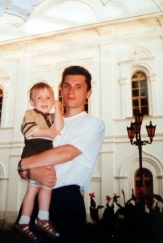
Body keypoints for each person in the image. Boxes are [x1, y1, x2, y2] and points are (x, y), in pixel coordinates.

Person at [18, 66, 105, 242]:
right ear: (61, 90)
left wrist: (25, 164)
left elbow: (65, 153)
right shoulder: (47, 121)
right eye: (66, 86)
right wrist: (30, 170)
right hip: (35, 200)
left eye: (78, 86)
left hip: (66, 201)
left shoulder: (93, 124)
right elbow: (24, 167)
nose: (71, 91)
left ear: (88, 93)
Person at [17, 82, 64, 240]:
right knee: (34, 190)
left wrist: (57, 109)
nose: (44, 101)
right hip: (33, 154)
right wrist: (49, 133)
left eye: (48, 98)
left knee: (45, 186)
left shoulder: (50, 117)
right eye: (39, 97)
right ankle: (30, 220)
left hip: (46, 157)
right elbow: (30, 132)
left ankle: (39, 219)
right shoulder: (30, 114)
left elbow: (59, 126)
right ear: (32, 101)